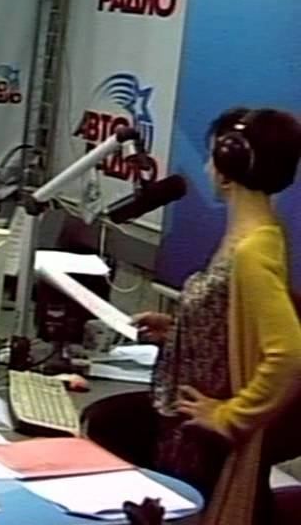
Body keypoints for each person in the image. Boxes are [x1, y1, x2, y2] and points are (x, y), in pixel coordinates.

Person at [83, 107, 301, 525]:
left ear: (227, 165)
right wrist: (180, 332)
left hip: (205, 443)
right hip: (185, 431)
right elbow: (233, 324)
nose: (205, 167)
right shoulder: (248, 238)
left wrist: (230, 416)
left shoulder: (253, 251)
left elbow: (288, 355)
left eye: (211, 155)